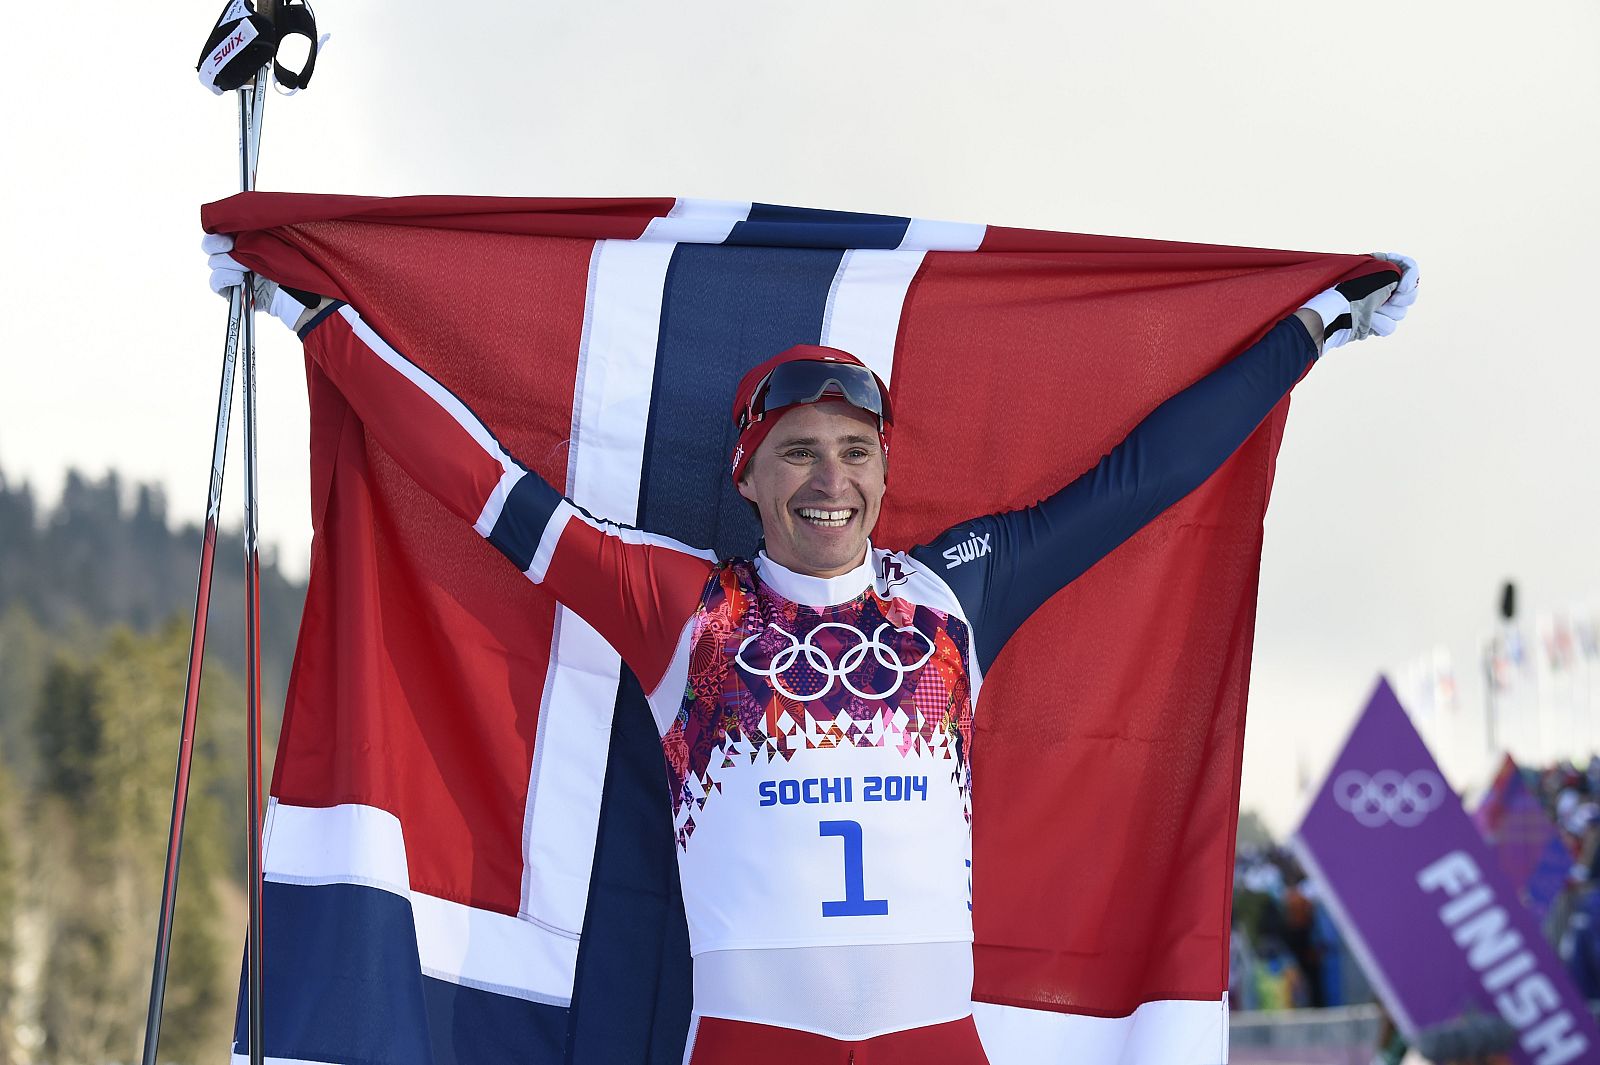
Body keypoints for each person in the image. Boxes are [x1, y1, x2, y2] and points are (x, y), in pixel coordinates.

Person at [206, 235, 1417, 1065]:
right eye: (797, 451)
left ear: (888, 470)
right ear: (746, 475)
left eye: (854, 450)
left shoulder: (956, 597)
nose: (828, 479)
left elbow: (1143, 477)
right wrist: (320, 322)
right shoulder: (676, 605)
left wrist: (1307, 330)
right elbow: (487, 490)